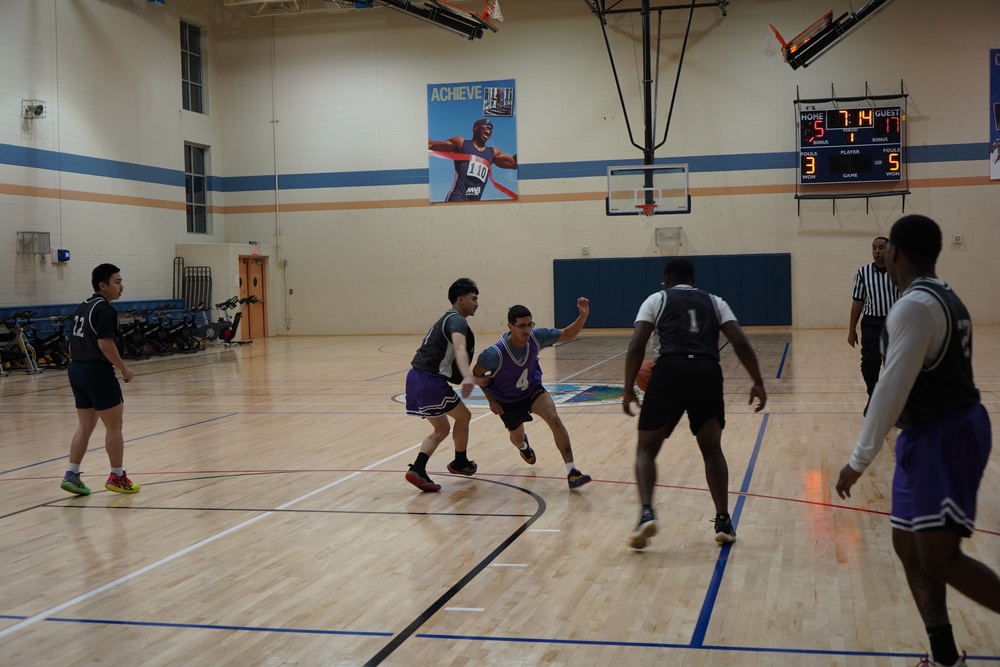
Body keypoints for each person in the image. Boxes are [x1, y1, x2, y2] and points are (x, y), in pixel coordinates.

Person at [836, 215, 999, 667]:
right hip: (925, 432)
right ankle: (945, 655)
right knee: (907, 545)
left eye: (886, 250)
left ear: (895, 254)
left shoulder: (914, 305)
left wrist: (859, 458)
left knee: (939, 555)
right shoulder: (940, 294)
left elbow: (891, 388)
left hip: (946, 433)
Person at [623, 259, 766, 549]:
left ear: (666, 279)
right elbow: (739, 340)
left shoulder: (656, 299)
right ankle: (723, 520)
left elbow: (638, 344)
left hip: (669, 371)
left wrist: (628, 389)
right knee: (712, 450)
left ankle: (647, 513)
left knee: (646, 451)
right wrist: (758, 380)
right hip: (706, 372)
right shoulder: (715, 301)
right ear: (693, 278)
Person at [473, 299, 593, 490]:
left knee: (554, 418)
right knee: (517, 437)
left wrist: (583, 316)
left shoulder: (537, 337)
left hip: (532, 391)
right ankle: (523, 448)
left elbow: (568, 334)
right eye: (521, 326)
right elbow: (477, 375)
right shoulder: (494, 354)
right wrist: (491, 399)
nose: (527, 330)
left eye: (530, 325)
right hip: (507, 400)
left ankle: (572, 472)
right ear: (510, 326)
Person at [60, 263, 139, 495]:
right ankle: (117, 476)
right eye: (117, 282)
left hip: (77, 369)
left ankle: (72, 474)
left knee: (86, 425)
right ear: (102, 286)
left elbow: (71, 342)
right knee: (114, 426)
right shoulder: (105, 310)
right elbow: (105, 344)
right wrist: (124, 368)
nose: (121, 287)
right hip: (96, 372)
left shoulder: (82, 307)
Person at [404, 278, 483, 492]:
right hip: (429, 379)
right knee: (464, 416)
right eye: (473, 298)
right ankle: (460, 462)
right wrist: (468, 375)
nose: (477, 303)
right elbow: (459, 348)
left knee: (441, 428)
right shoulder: (457, 320)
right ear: (460, 299)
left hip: (414, 377)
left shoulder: (447, 319)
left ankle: (418, 468)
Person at [848, 236, 900, 413]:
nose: (877, 251)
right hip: (871, 323)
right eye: (874, 248)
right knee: (869, 362)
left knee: (892, 365)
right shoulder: (863, 273)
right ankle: (875, 395)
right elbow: (857, 302)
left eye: (881, 247)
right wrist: (851, 330)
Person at [428, 118, 517, 201]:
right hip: (457, 196)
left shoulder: (493, 153)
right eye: (485, 124)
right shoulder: (461, 143)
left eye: (491, 127)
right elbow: (431, 145)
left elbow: (514, 164)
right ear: (475, 128)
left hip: (475, 201)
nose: (489, 127)